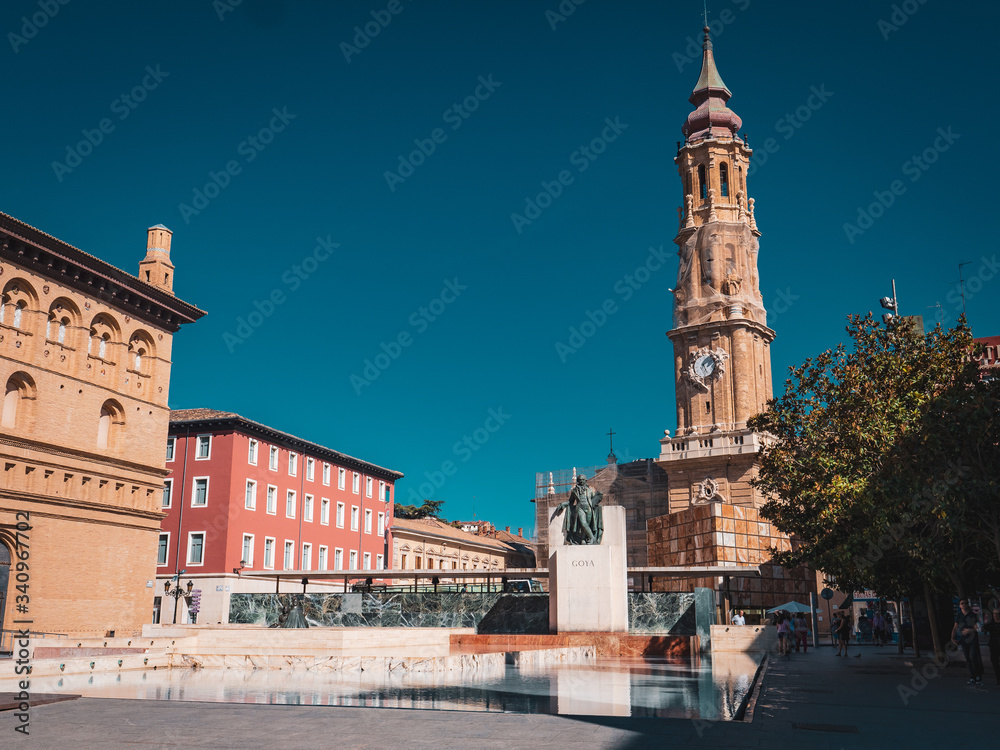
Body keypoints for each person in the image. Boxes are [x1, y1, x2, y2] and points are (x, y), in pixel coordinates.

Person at [951, 599, 984, 685]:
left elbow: (979, 628)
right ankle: (972, 676)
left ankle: (978, 675)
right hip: (963, 640)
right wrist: (952, 638)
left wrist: (970, 630)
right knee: (968, 659)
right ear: (960, 606)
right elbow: (955, 628)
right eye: (962, 603)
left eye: (965, 603)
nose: (964, 605)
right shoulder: (959, 616)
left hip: (972, 640)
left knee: (973, 657)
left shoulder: (973, 615)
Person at [983, 607, 1000, 686]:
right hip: (994, 644)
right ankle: (998, 678)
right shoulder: (991, 623)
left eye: (998, 614)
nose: (996, 615)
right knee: (994, 661)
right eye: (995, 614)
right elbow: (983, 628)